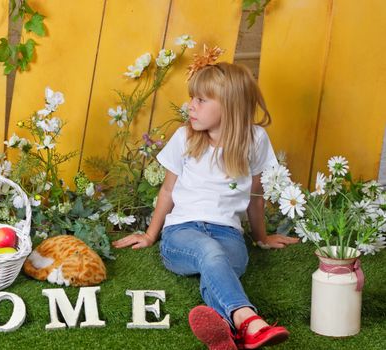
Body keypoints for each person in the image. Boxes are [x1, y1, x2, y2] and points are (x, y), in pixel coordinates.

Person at [112, 61, 299, 350]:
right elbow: (167, 190)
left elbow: (254, 197)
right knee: (209, 253)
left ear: (230, 105)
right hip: (181, 235)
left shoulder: (255, 140)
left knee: (217, 260)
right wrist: (150, 235)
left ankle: (225, 331)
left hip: (229, 236)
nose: (191, 106)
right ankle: (250, 320)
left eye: (200, 100)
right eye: (192, 98)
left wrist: (261, 238)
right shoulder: (185, 137)